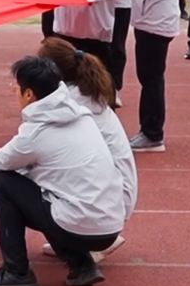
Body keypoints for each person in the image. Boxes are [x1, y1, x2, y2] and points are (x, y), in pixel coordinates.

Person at [0, 56, 130, 286]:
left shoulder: (35, 134)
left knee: (4, 183)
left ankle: (16, 273)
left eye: (16, 87)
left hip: (80, 227)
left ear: (29, 94)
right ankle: (81, 265)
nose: (13, 91)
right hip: (111, 228)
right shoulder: (82, 116)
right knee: (52, 193)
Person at [87, 0, 190, 153]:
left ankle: (152, 134)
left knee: (151, 78)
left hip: (156, 21)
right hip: (149, 18)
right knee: (149, 76)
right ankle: (150, 131)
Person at [37, 36, 134, 261]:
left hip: (108, 198)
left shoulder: (69, 106)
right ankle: (79, 238)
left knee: (24, 180)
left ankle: (84, 240)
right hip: (115, 195)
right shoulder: (85, 95)